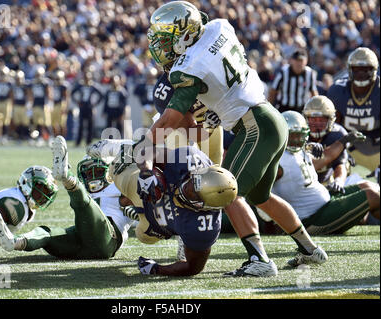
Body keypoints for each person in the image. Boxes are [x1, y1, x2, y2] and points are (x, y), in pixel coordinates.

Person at [135, 1, 327, 275]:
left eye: (167, 40)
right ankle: (309, 249)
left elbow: (169, 120)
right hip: (271, 118)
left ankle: (260, 260)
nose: (162, 48)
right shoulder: (219, 27)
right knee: (262, 197)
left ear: (185, 35)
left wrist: (144, 149)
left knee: (226, 190)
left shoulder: (188, 68)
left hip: (254, 126)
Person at [88, 138, 238, 277]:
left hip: (159, 221)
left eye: (195, 194)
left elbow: (193, 268)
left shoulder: (205, 228)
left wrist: (157, 269)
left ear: (205, 207)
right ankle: (124, 149)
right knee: (116, 170)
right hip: (153, 188)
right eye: (194, 180)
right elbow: (148, 152)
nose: (187, 188)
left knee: (143, 236)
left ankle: (138, 210)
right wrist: (146, 173)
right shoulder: (189, 159)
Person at [0, 136, 137, 259]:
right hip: (82, 243)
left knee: (84, 204)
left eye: (97, 171)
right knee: (48, 234)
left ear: (111, 171)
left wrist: (136, 210)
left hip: (107, 239)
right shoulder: (89, 192)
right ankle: (14, 242)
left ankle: (66, 177)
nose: (92, 177)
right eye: (87, 172)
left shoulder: (120, 185)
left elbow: (139, 150)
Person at [272, 110, 379, 235]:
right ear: (281, 134)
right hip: (310, 220)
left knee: (368, 186)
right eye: (293, 135)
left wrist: (345, 139)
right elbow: (259, 192)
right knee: (371, 195)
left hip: (325, 204)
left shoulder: (297, 153)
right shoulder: (276, 162)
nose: (297, 140)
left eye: (300, 135)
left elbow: (327, 156)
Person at [326, 47, 380, 173]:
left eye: (365, 69)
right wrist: (339, 153)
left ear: (374, 70)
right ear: (350, 69)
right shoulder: (337, 91)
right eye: (356, 69)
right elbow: (333, 129)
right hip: (350, 148)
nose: (360, 74)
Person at [268, 49, 319, 113]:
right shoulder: (283, 72)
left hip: (302, 109)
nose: (299, 63)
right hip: (284, 108)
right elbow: (273, 91)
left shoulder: (310, 73)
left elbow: (314, 93)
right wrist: (269, 108)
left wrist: (317, 109)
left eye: (301, 60)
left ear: (306, 61)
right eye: (296, 60)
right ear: (291, 60)